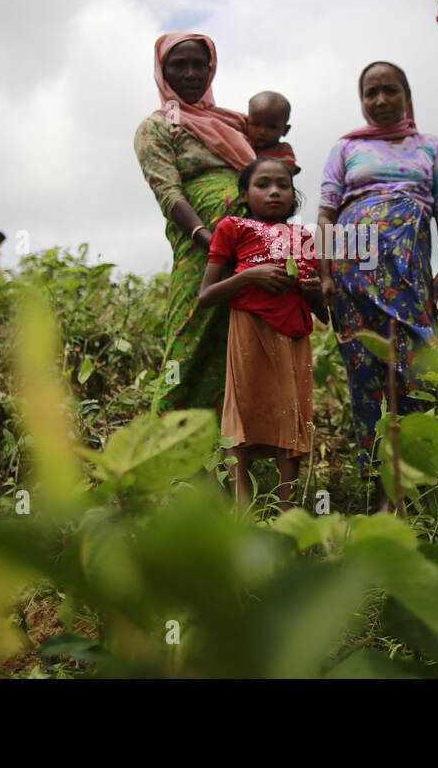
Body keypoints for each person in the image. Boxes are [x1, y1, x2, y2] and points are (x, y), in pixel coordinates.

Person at [317, 61, 438, 511]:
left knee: (418, 364)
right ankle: (381, 491)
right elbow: (327, 213)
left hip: (406, 272)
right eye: (370, 93)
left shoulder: (429, 147)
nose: (379, 100)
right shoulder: (346, 148)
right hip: (353, 271)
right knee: (366, 372)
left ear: (406, 94)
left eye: (389, 90)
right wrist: (326, 272)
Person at [134, 32, 258, 413]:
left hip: (253, 253)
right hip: (201, 252)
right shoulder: (156, 128)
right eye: (178, 65)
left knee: (242, 347)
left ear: (211, 69)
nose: (189, 73)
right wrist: (213, 241)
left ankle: (228, 457)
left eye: (198, 65)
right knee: (189, 341)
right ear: (163, 71)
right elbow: (169, 194)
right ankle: (162, 448)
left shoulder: (237, 125)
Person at [198, 158, 327, 510]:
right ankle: (243, 510)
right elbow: (206, 295)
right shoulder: (232, 227)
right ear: (244, 193)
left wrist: (314, 291)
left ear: (293, 195)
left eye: (283, 185)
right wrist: (249, 277)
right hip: (248, 330)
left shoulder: (302, 237)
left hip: (295, 336)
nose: (274, 191)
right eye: (263, 184)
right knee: (243, 413)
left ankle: (285, 510)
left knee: (292, 416)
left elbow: (324, 311)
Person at [246, 91, 300, 176]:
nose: (262, 132)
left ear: (285, 130)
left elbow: (286, 172)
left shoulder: (282, 149)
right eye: (256, 124)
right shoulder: (244, 143)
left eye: (272, 127)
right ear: (246, 122)